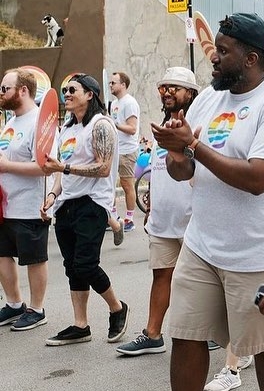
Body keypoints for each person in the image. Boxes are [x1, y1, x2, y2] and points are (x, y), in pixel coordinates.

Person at [152, 13, 264, 391]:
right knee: (185, 335)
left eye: (223, 52)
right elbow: (184, 171)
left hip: (261, 250)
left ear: (252, 58)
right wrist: (177, 153)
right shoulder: (209, 97)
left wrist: (193, 145)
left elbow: (260, 178)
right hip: (203, 244)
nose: (214, 59)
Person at [40, 74, 130, 346]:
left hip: (92, 203)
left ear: (90, 94)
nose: (66, 94)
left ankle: (117, 308)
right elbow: (60, 170)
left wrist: (63, 168)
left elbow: (103, 169)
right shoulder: (67, 129)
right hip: (66, 204)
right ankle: (81, 325)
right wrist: (53, 194)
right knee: (72, 267)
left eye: (72, 90)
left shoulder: (101, 125)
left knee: (86, 264)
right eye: (64, 90)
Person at [115, 67, 199, 356]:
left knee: (200, 283)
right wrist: (150, 205)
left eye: (174, 87)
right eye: (164, 87)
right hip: (163, 218)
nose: (167, 92)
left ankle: (211, 333)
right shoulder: (164, 125)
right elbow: (157, 172)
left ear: (190, 93)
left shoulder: (197, 124)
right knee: (161, 276)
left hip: (194, 220)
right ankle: (152, 335)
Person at [0, 69, 53, 331]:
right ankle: (13, 304)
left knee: (34, 258)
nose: (1, 93)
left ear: (23, 90)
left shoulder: (39, 122)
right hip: (5, 205)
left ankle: (37, 309)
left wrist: (7, 167)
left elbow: (45, 167)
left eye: (5, 88)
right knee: (3, 255)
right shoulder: (9, 123)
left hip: (30, 205)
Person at [109, 72, 140, 232]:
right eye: (110, 83)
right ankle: (114, 218)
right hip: (115, 149)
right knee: (110, 184)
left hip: (127, 150)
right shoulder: (114, 104)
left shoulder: (129, 103)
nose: (111, 85)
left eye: (113, 83)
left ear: (123, 84)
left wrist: (115, 125)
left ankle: (129, 219)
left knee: (127, 185)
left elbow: (132, 128)